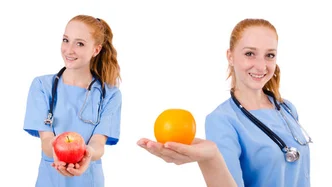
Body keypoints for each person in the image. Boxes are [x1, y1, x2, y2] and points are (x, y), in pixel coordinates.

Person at [137, 18, 312, 187]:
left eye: (270, 55)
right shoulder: (222, 120)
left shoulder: (287, 108)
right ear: (230, 56)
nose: (261, 66)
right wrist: (210, 157)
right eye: (250, 54)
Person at [23, 15, 122, 187]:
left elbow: (98, 143)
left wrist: (88, 153)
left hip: (89, 180)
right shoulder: (42, 86)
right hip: (50, 179)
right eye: (66, 40)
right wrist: (55, 150)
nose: (69, 50)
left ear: (96, 50)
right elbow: (46, 139)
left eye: (80, 43)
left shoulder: (110, 94)